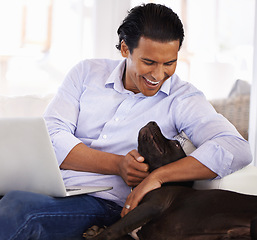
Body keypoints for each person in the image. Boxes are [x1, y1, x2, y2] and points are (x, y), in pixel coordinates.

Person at [0, 3, 252, 240]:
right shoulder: (86, 72)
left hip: (103, 203)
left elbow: (236, 148)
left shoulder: (183, 99)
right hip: (45, 187)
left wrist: (159, 176)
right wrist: (118, 164)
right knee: (16, 199)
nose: (158, 74)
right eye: (148, 62)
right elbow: (51, 134)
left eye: (170, 63)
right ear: (124, 49)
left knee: (18, 207)